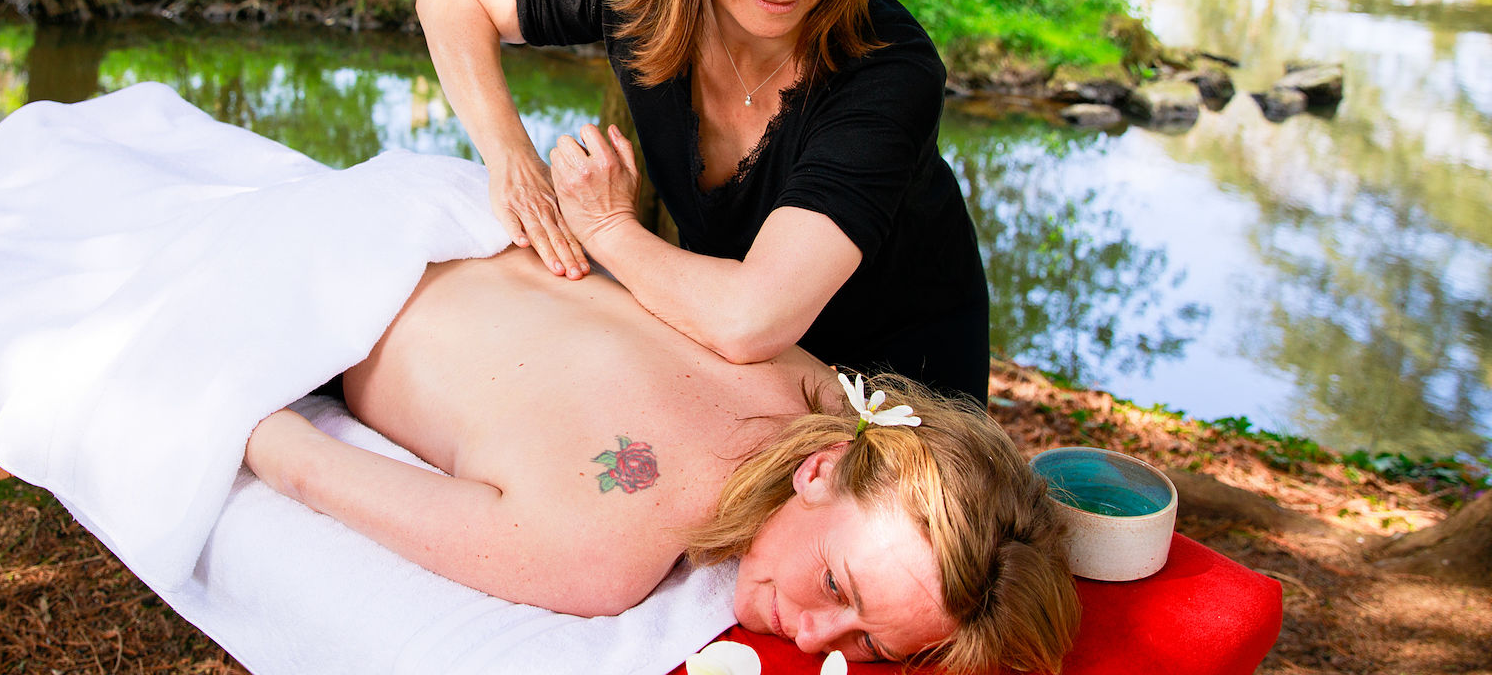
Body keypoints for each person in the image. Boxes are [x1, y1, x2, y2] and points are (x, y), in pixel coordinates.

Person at [244, 245, 1078, 673]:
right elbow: (299, 464)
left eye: (868, 648)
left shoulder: (833, 399)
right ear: (818, 474)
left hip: (446, 213)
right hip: (313, 283)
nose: (817, 636)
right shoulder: (601, 551)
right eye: (836, 587)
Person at [416, 0, 991, 402]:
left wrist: (607, 227)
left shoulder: (890, 71)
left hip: (899, 388)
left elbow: (751, 319)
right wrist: (510, 155)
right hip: (724, 344)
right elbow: (451, 0)